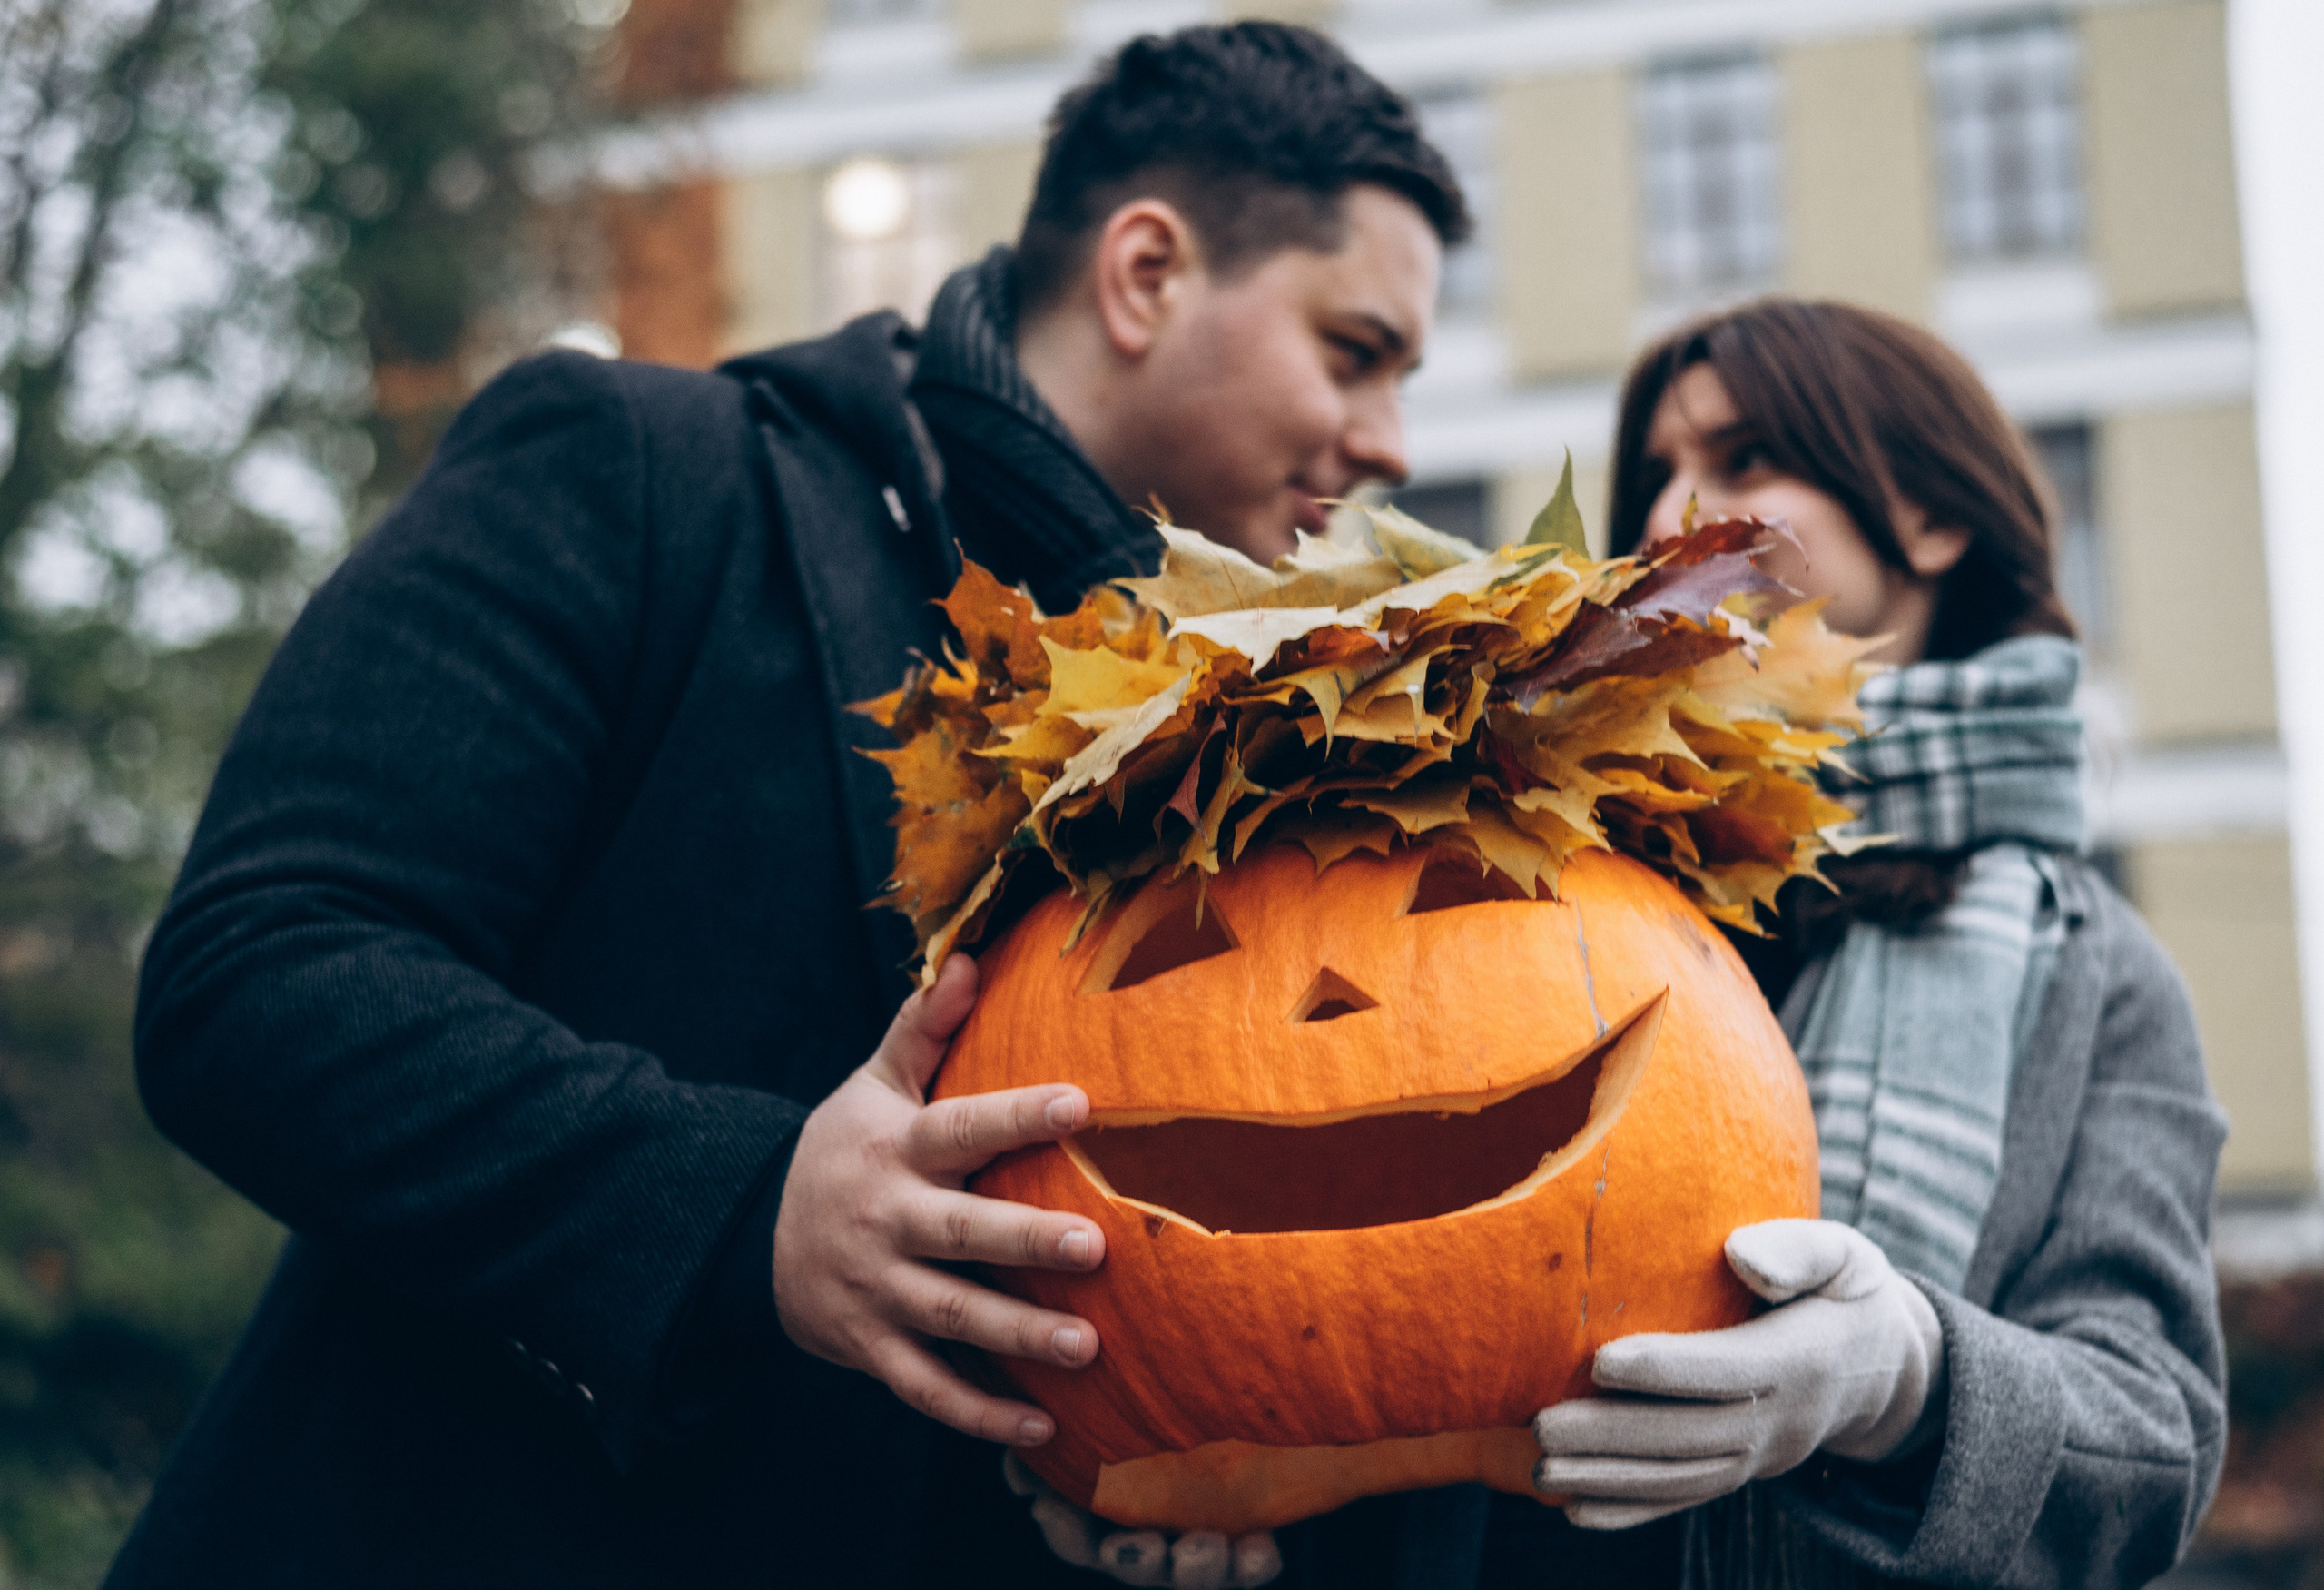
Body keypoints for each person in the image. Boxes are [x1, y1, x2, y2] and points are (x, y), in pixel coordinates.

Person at [110, 24, 1466, 1588]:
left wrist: (1146, 1471)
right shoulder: (641, 471)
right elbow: (258, 972)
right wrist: (743, 1213)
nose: (1389, 443)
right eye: (1355, 351)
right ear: (1146, 275)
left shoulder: (1266, 751)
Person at [1501, 299, 2227, 1589]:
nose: (1666, 522)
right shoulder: (1539, 883)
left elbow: (2154, 1443)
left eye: (1744, 460)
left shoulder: (2094, 972)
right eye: (1656, 476)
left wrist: (1904, 1380)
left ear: (1931, 520)